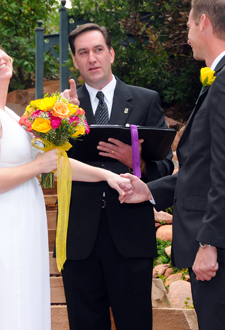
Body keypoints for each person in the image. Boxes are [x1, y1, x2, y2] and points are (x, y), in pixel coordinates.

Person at [0, 33, 132, 330]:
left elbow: (55, 162)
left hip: (16, 225)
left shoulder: (9, 114)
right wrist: (37, 166)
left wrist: (108, 176)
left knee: (16, 306)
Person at [120, 0, 225, 329]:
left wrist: (210, 243)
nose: (187, 36)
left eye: (188, 24)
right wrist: (150, 190)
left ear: (204, 22)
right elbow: (205, 166)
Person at [60, 23, 174, 330]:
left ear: (111, 53)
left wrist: (137, 162)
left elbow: (166, 167)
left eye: (98, 50)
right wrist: (62, 121)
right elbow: (50, 166)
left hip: (130, 238)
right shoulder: (63, 107)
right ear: (75, 61)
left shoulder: (145, 99)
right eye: (83, 53)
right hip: (79, 239)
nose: (91, 58)